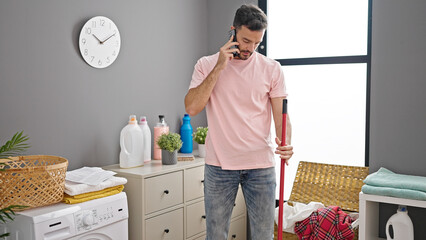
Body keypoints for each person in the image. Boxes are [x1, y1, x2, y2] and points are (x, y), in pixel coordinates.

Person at [184, 4, 294, 240]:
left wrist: (286, 142)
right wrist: (219, 67)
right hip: (219, 166)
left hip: (260, 166)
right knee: (216, 235)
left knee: (263, 235)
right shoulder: (206, 65)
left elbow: (281, 116)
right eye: (245, 41)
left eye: (257, 43)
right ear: (232, 30)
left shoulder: (272, 69)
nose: (250, 48)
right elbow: (192, 107)